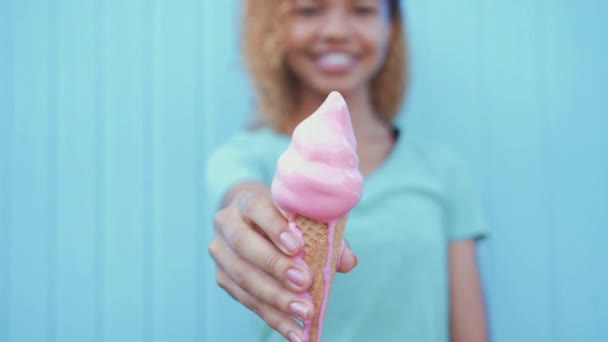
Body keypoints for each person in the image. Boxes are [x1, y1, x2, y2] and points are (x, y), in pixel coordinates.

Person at [206, 0, 488, 341]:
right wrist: (248, 224)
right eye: (309, 10)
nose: (336, 31)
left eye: (362, 9)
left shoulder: (442, 172)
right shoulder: (245, 156)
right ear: (273, 27)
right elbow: (244, 198)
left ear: (391, 27)